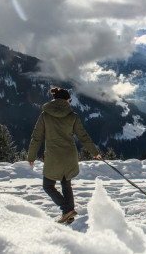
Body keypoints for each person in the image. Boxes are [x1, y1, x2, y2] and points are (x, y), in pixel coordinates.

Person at [28, 87, 101, 224]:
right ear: (65, 100)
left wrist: (31, 156)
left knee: (48, 186)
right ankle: (69, 212)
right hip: (69, 156)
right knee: (66, 185)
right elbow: (83, 136)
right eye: (69, 100)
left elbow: (36, 138)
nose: (70, 102)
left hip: (53, 157)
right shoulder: (73, 116)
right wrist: (94, 152)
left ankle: (66, 210)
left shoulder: (45, 115)